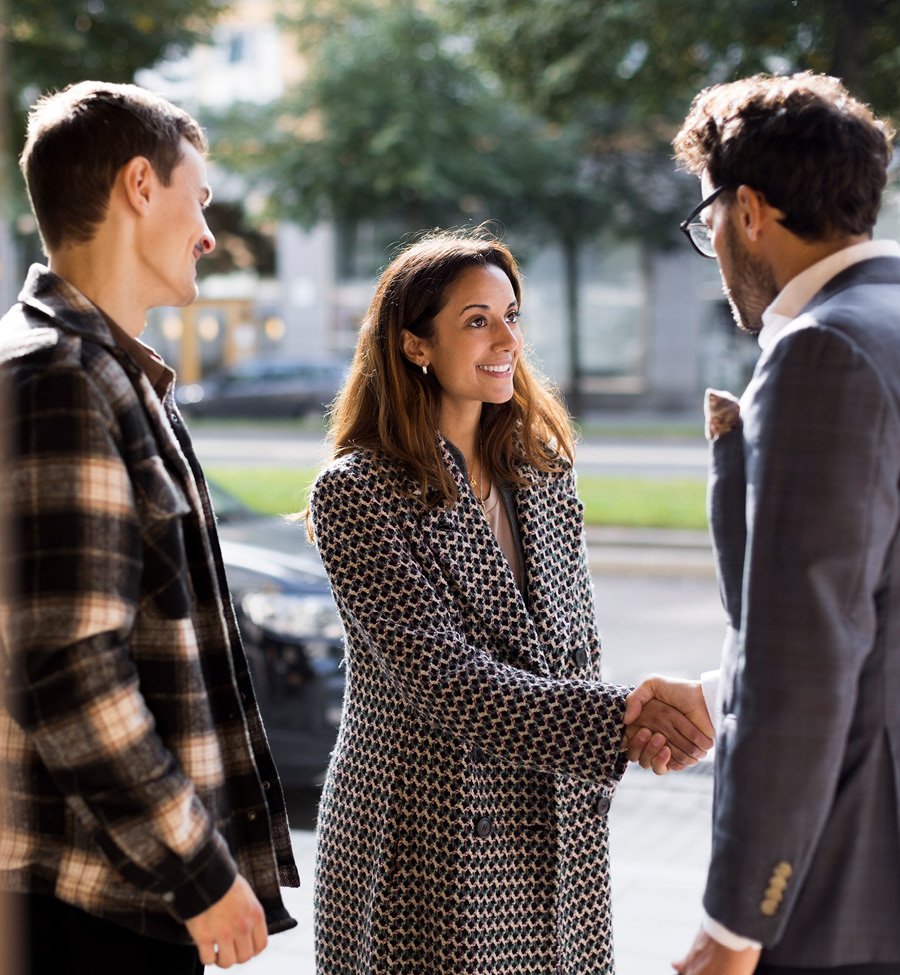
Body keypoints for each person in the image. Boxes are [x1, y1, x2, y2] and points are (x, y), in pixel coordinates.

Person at [306, 227, 715, 973]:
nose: (506, 337)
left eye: (512, 314)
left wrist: (642, 730)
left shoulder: (543, 474)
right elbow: (445, 679)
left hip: (554, 829)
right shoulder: (357, 493)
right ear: (414, 344)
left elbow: (578, 655)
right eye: (476, 319)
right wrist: (623, 722)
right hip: (426, 843)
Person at [0, 81, 299, 974]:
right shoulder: (58, 377)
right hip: (83, 904)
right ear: (140, 185)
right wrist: (200, 870)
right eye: (197, 199)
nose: (208, 233)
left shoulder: (113, 375)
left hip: (113, 893)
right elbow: (67, 667)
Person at [630, 71, 900, 974]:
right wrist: (717, 696)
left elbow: (806, 651)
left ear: (748, 210)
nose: (710, 240)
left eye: (704, 217)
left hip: (846, 894)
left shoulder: (823, 348)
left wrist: (736, 922)